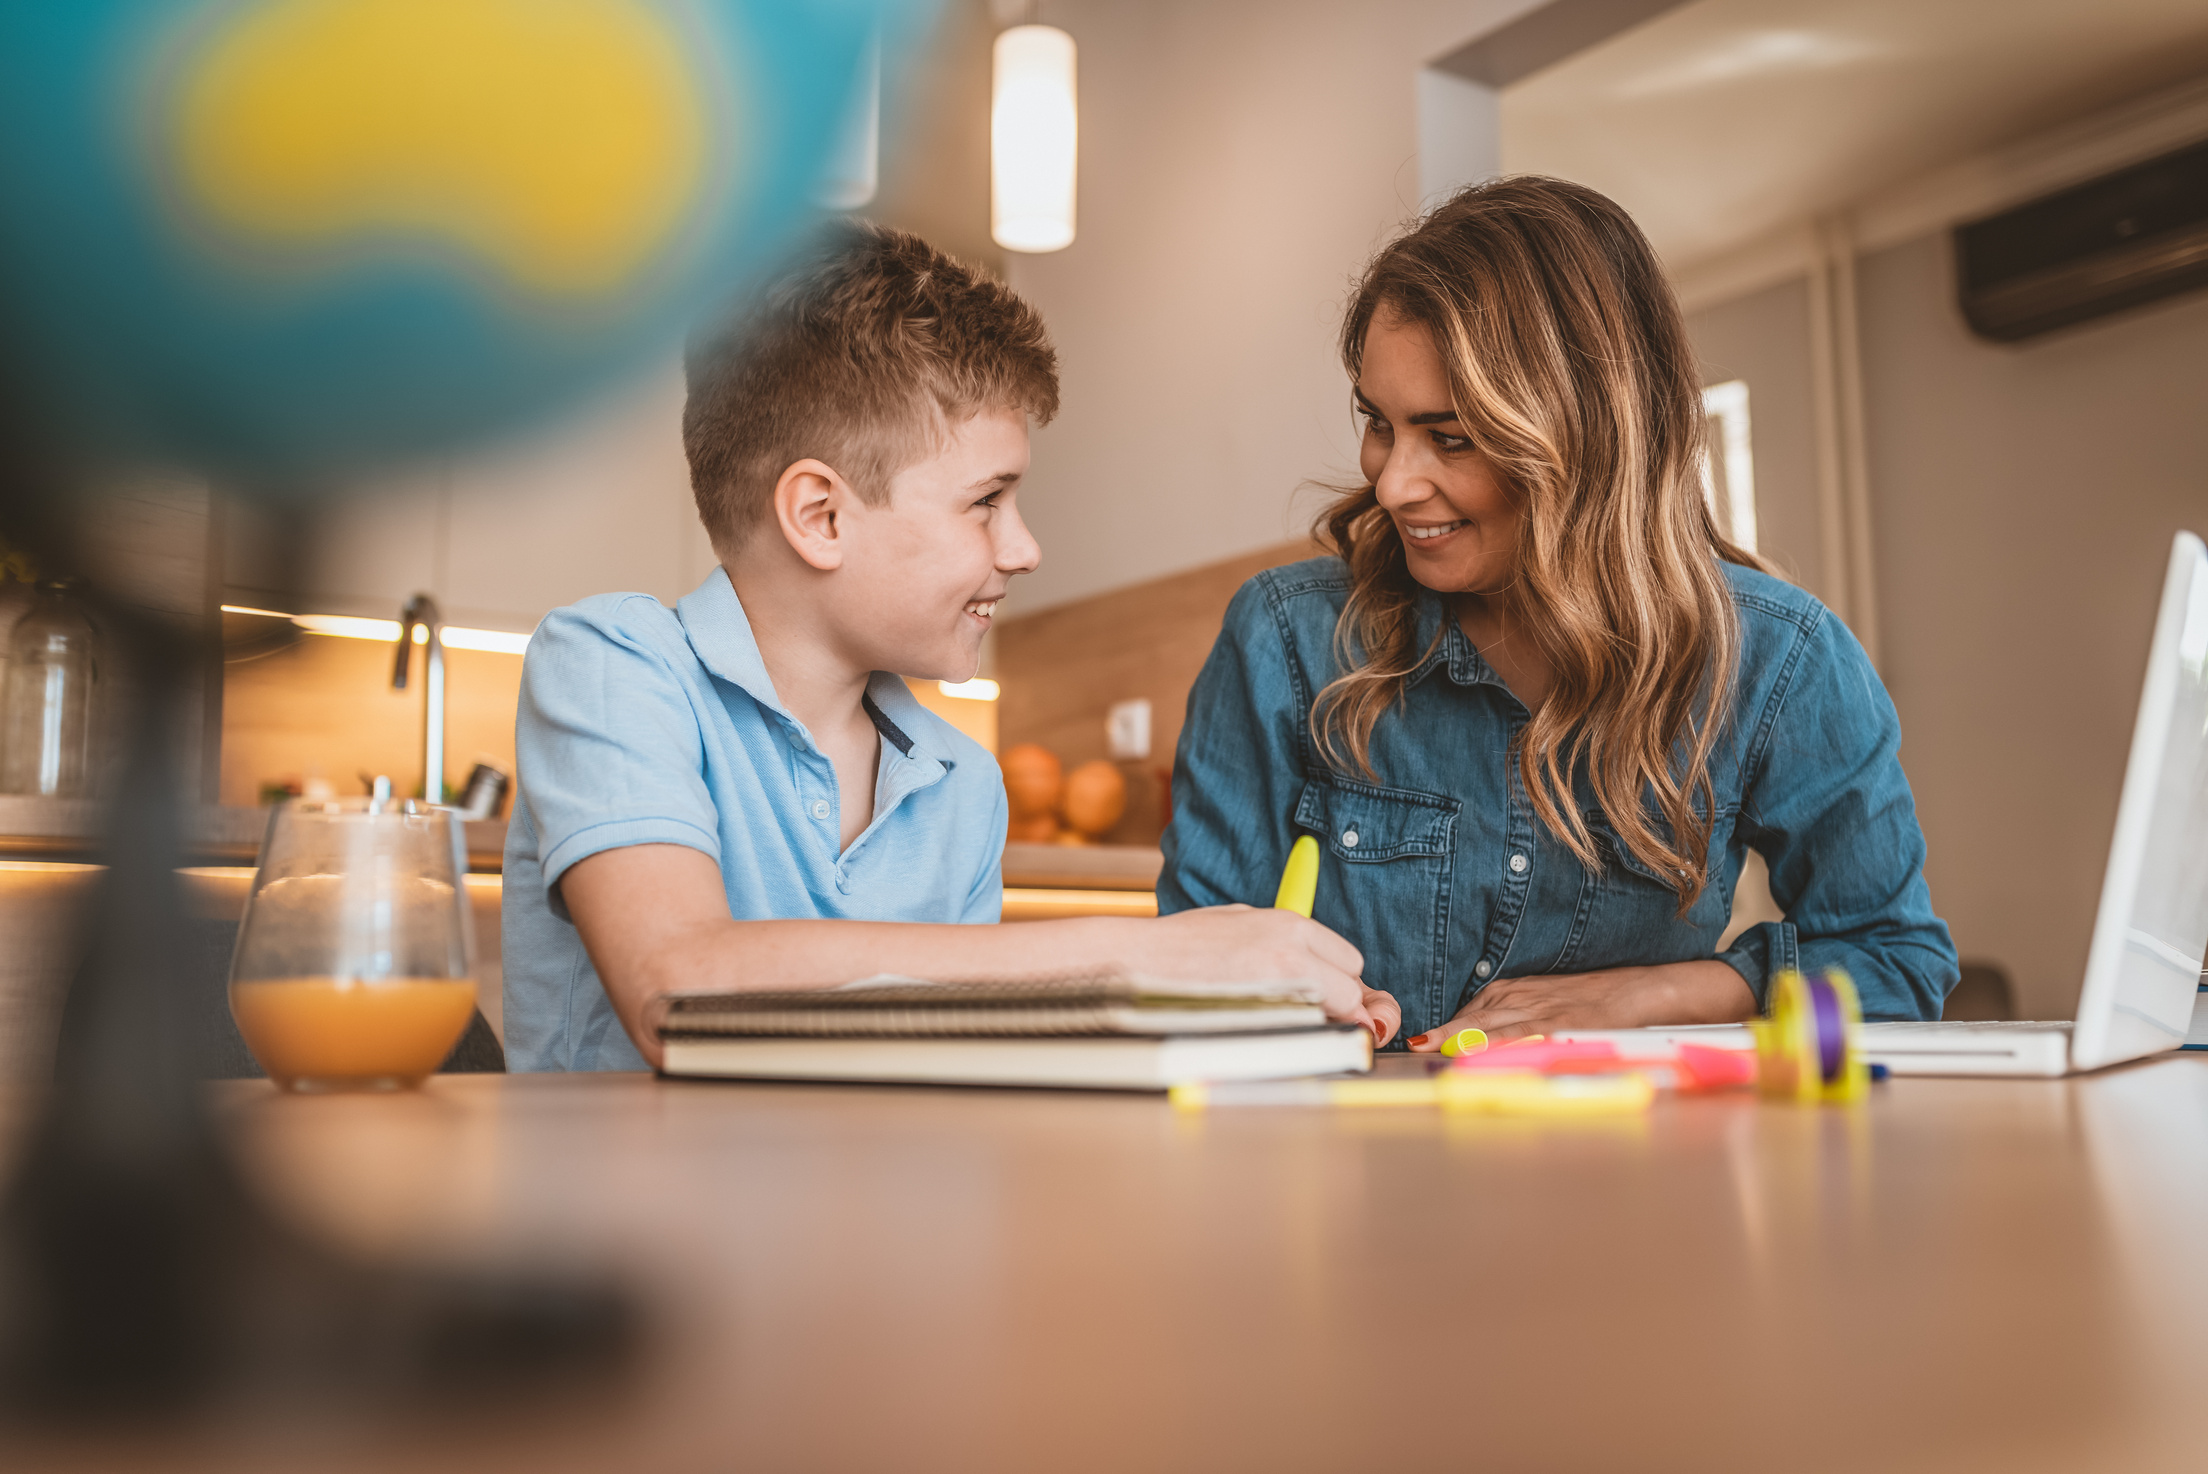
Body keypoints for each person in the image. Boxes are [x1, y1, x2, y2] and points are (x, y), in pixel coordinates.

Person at [502, 221, 1393, 1071]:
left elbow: (949, 1051)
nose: (1025, 549)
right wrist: (1145, 954)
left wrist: (1245, 1007)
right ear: (821, 516)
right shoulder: (614, 663)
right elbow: (675, 989)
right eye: (985, 502)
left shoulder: (960, 783)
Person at [1159, 177, 1957, 1048]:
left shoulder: (1780, 660)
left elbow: (1896, 964)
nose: (1391, 483)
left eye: (1451, 437)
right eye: (1379, 422)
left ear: (1586, 436)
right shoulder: (1285, 641)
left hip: (1632, 1171)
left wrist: (1657, 996)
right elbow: (1189, 982)